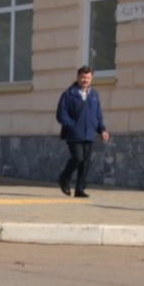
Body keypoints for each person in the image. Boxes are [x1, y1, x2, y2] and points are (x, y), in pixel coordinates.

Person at [55, 65, 109, 197]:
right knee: (78, 158)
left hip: (89, 133)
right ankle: (64, 178)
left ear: (92, 78)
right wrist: (72, 125)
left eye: (88, 77)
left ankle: (80, 189)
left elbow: (98, 115)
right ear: (78, 78)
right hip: (74, 134)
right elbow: (61, 114)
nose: (85, 80)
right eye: (83, 77)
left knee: (85, 162)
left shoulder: (94, 95)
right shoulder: (69, 94)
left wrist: (102, 129)